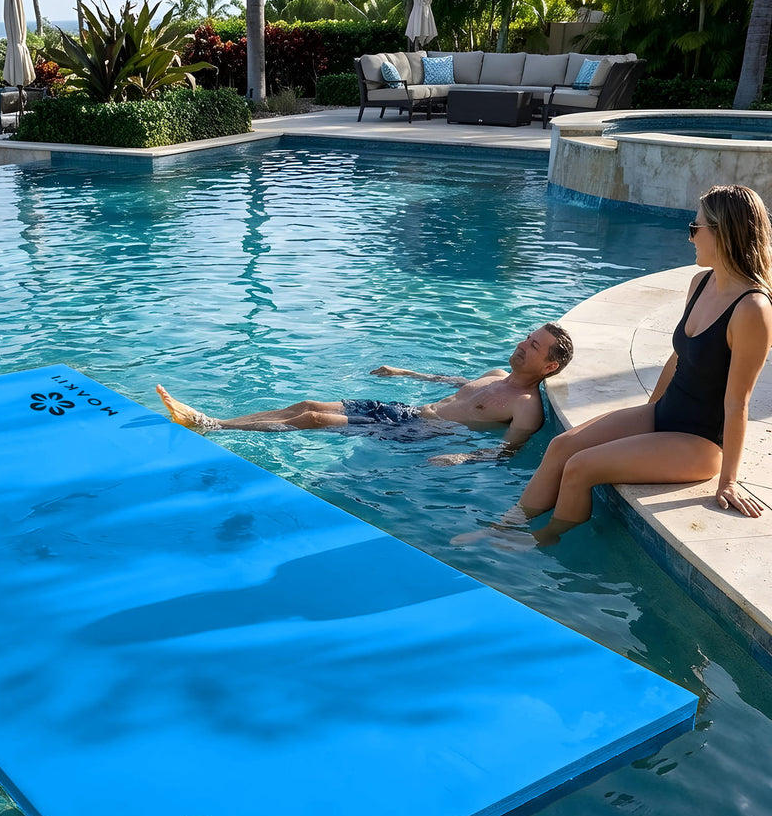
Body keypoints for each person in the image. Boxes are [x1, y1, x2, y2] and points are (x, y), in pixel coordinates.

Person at [458, 184, 772, 548]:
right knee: (562, 446)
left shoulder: (753, 310)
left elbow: (738, 402)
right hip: (664, 414)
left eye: (695, 228)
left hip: (700, 443)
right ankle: (506, 525)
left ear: (723, 233)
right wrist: (649, 411)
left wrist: (728, 481)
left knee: (581, 466)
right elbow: (679, 357)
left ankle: (540, 540)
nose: (690, 238)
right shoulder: (701, 283)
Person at [155, 324, 574, 465]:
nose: (523, 345)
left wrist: (463, 457)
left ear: (549, 366)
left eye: (534, 347)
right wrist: (405, 371)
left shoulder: (527, 408)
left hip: (421, 432)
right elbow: (454, 383)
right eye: (527, 338)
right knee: (307, 404)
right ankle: (211, 422)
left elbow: (507, 451)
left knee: (314, 421)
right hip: (406, 410)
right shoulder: (496, 372)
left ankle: (210, 426)